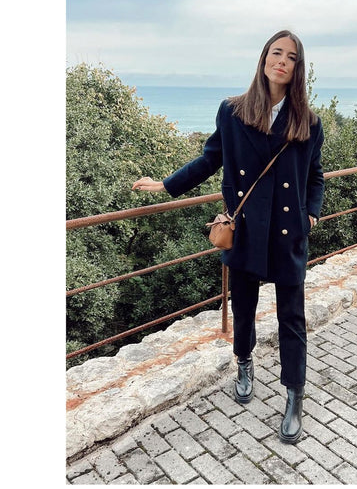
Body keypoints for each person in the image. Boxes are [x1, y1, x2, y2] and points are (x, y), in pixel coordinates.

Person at [132, 29, 324, 444]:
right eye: (277, 53)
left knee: (292, 319)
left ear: (297, 68)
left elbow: (315, 175)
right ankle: (243, 362)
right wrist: (166, 185)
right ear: (264, 59)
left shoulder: (308, 121)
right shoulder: (233, 111)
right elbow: (209, 159)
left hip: (288, 233)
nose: (282, 61)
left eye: (291, 57)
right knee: (244, 308)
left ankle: (294, 395)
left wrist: (311, 212)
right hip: (247, 230)